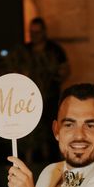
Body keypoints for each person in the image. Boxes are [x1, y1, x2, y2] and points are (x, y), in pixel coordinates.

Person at [17, 17, 70, 163]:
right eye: (32, 32)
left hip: (50, 97)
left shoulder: (54, 49)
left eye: (38, 32)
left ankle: (52, 162)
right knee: (31, 133)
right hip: (29, 100)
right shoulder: (25, 50)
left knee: (51, 130)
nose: (35, 35)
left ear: (44, 32)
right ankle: (33, 162)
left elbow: (65, 70)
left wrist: (54, 78)